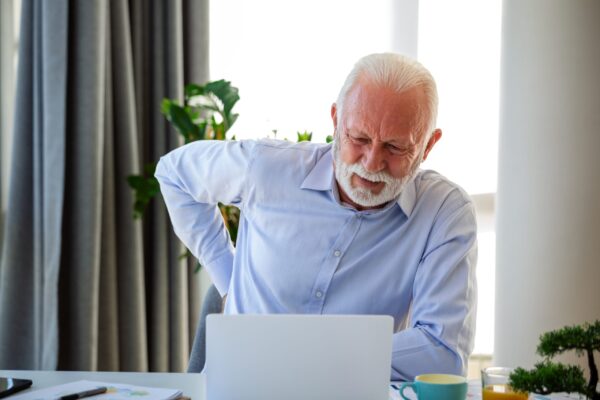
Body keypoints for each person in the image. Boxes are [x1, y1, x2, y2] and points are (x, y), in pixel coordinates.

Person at [155, 53, 477, 381]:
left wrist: (310, 357)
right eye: (359, 138)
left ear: (428, 146)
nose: (372, 163)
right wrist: (227, 277)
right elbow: (174, 174)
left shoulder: (443, 211)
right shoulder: (267, 167)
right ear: (336, 121)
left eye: (395, 147)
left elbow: (441, 353)